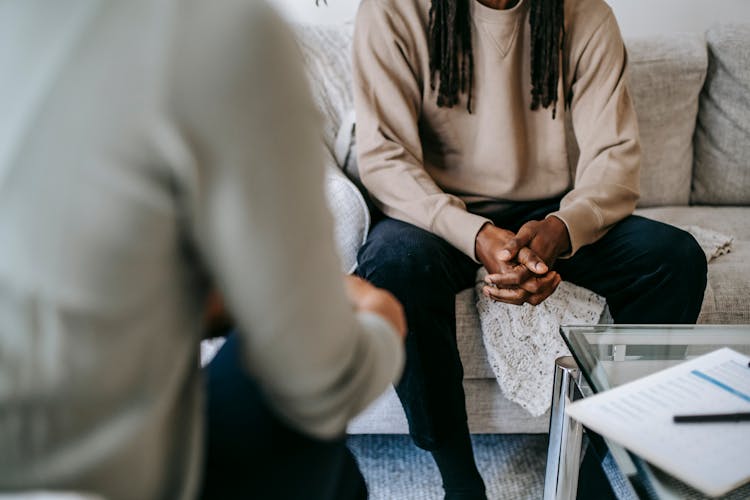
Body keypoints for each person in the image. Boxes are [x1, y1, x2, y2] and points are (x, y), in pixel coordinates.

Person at [0, 1, 405, 499]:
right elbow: (319, 382)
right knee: (307, 429)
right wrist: (381, 319)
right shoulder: (219, 34)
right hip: (101, 480)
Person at [351, 0, 708, 498]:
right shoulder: (393, 10)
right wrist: (474, 234)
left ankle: (587, 458)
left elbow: (614, 158)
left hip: (547, 214)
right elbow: (384, 156)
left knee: (676, 259)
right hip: (436, 212)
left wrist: (563, 229)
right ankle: (459, 479)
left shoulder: (584, 14)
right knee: (393, 268)